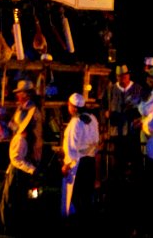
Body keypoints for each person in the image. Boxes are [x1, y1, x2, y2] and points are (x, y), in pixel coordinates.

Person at [0, 79, 43, 235]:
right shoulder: (22, 109)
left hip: (26, 157)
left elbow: (26, 133)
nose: (17, 96)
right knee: (21, 195)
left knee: (16, 196)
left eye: (20, 93)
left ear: (26, 94)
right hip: (24, 155)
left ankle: (13, 225)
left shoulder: (32, 111)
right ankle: (18, 223)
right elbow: (15, 127)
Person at [61, 93, 100, 225]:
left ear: (73, 107)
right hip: (90, 161)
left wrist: (67, 165)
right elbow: (96, 141)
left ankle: (78, 224)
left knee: (76, 197)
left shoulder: (75, 122)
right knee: (87, 196)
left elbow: (71, 147)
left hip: (78, 163)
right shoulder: (93, 118)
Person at [108, 65, 143, 181]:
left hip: (132, 132)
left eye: (124, 75)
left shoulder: (138, 89)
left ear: (128, 75)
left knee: (134, 162)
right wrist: (106, 114)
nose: (122, 78)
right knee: (117, 164)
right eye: (119, 76)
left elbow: (144, 108)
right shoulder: (111, 89)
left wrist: (139, 118)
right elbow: (104, 106)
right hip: (116, 133)